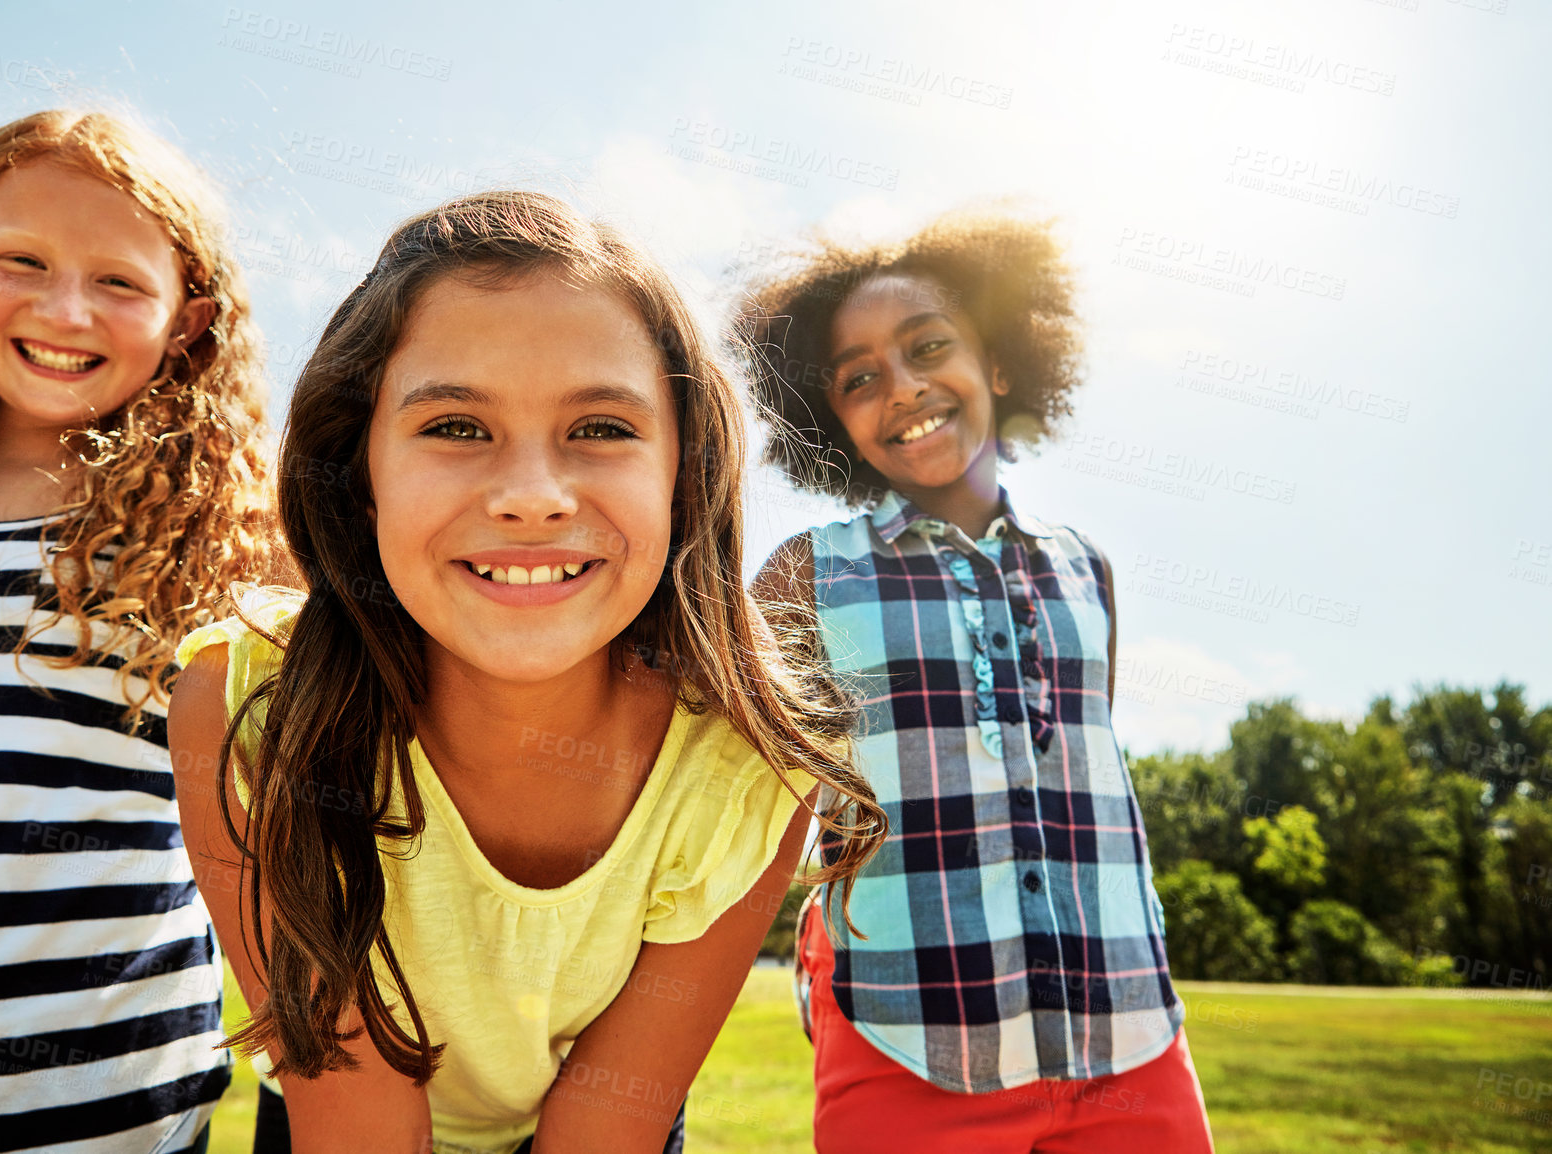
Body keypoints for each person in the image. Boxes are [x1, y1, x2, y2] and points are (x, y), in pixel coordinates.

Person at [166, 190, 887, 1154]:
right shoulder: (244, 703)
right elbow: (358, 1126)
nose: (533, 498)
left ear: (686, 471)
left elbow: (608, 1123)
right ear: (357, 468)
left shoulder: (750, 758)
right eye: (456, 427)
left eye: (600, 428)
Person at [0, 109, 279, 1150]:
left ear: (188, 319)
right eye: (20, 260)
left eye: (120, 281)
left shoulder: (228, 528)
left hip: (109, 1116)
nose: (64, 308)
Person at [738, 212, 1216, 1153]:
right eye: (860, 378)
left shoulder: (1090, 570)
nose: (904, 387)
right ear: (832, 420)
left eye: (928, 347)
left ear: (998, 364)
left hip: (1128, 1034)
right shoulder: (805, 574)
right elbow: (754, 807)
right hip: (906, 1039)